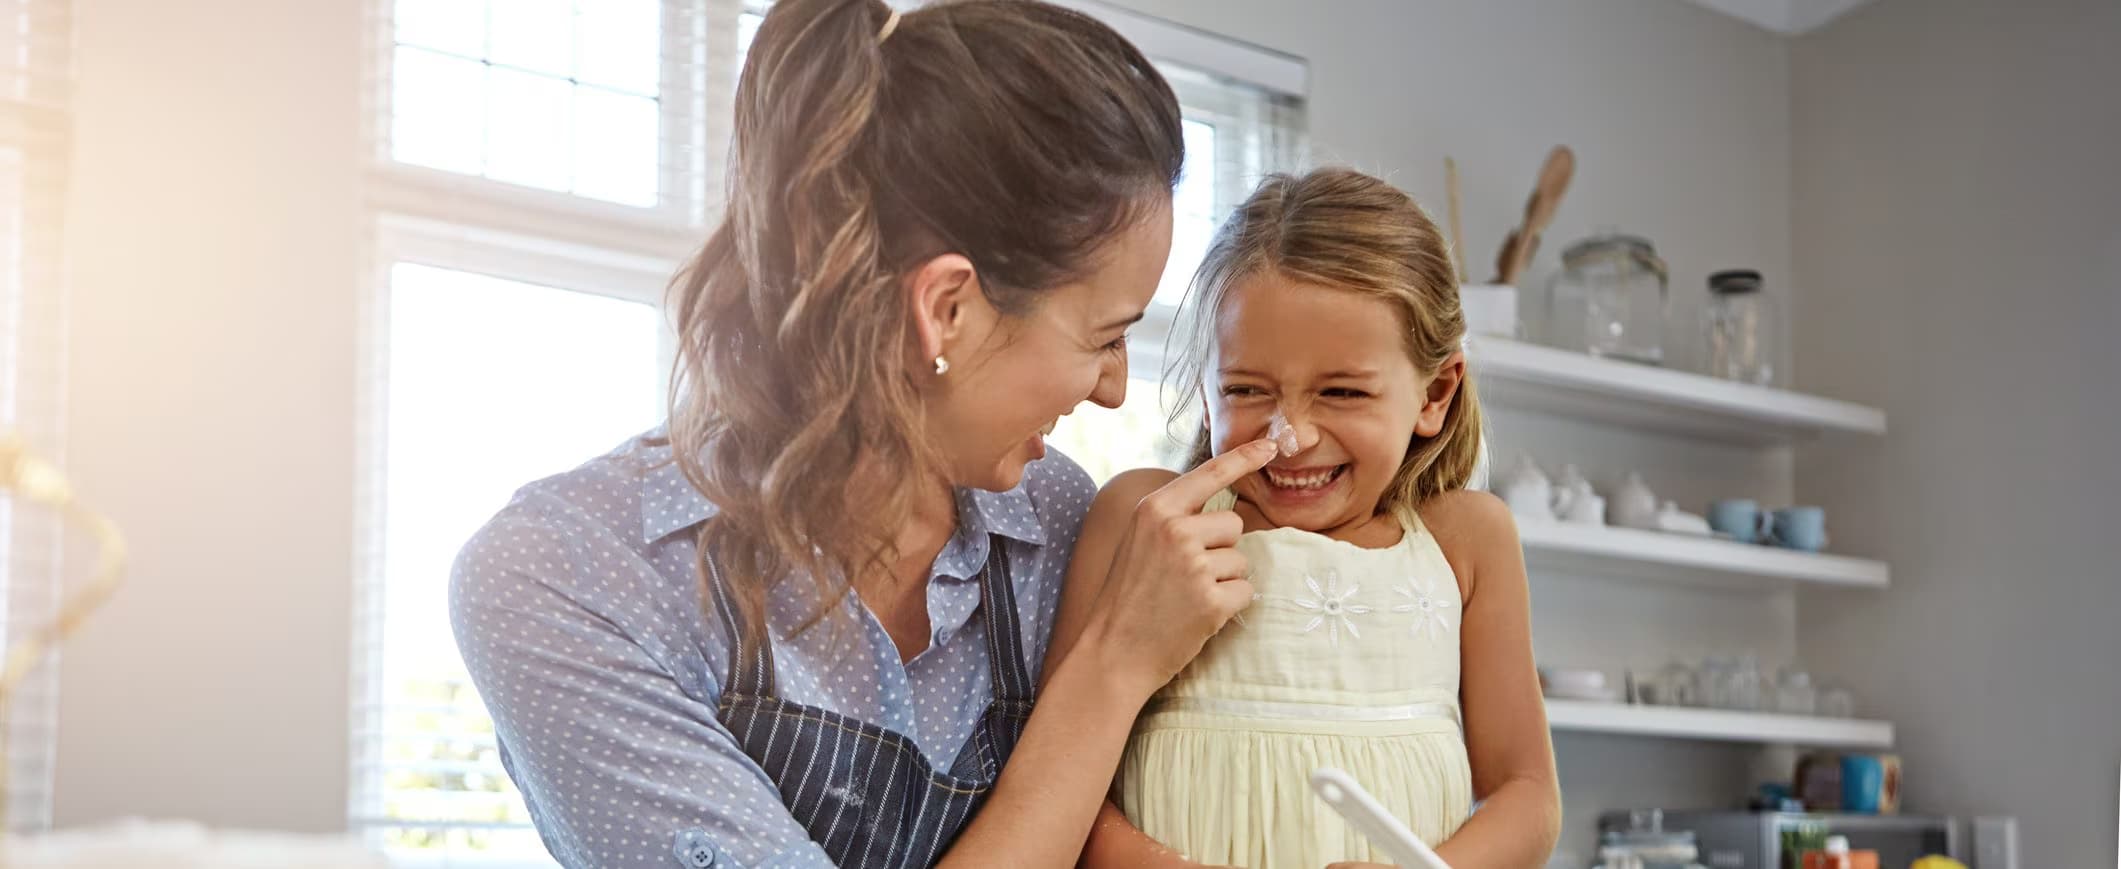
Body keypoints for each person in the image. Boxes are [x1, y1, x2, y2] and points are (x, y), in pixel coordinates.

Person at [448, 1, 1276, 866]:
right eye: (1105, 336)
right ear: (945, 311)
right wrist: (1111, 666)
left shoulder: (1064, 524)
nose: (1113, 388)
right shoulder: (567, 576)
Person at [1052, 168, 1563, 868]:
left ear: (1434, 394)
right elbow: (1056, 777)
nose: (1289, 433)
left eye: (1343, 391)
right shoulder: (1148, 520)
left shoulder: (1467, 542)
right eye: (1244, 389)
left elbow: (1527, 794)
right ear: (1206, 391)